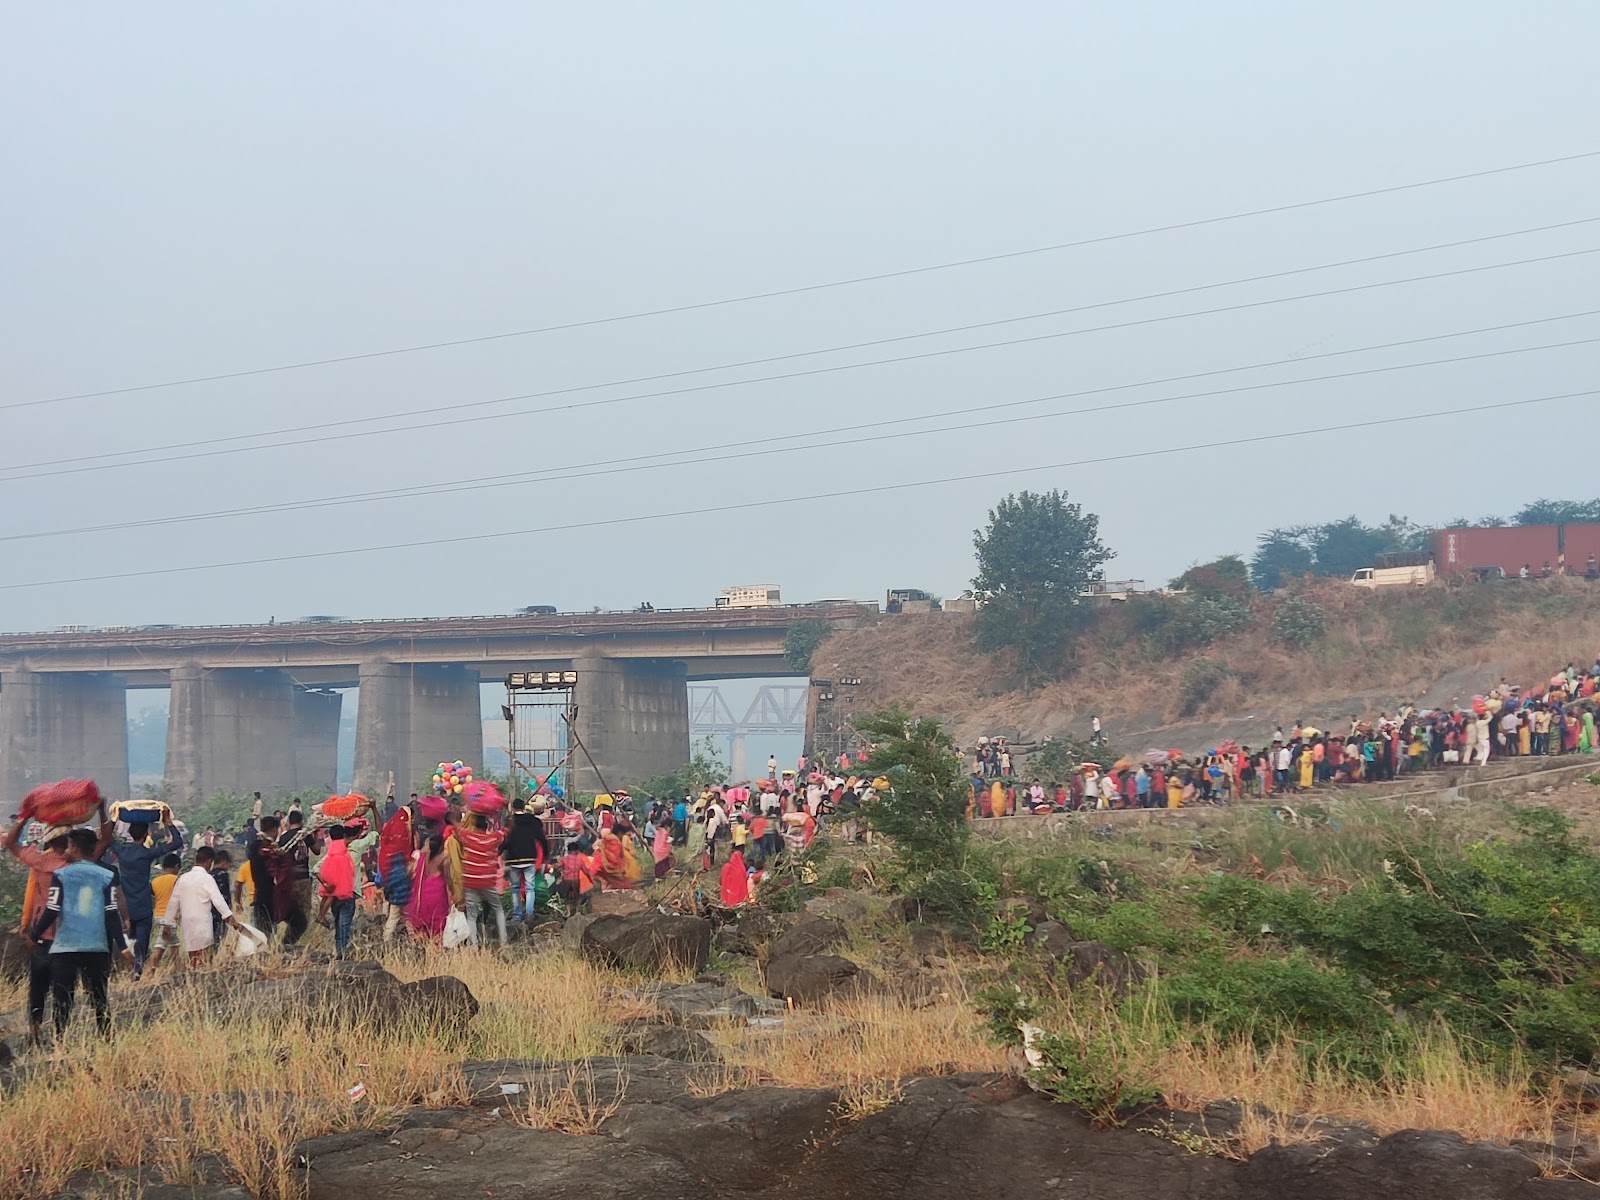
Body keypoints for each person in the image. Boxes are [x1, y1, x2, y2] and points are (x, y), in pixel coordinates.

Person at [6, 804, 114, 1044]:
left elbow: (11, 843)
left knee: (43, 990)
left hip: (47, 938)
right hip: (74, 939)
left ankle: (44, 1036)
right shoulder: (78, 862)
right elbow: (106, 839)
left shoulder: (41, 863)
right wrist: (102, 810)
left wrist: (24, 817)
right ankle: (93, 1037)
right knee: (85, 992)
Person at [31, 828, 133, 1037]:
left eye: (68, 846)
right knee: (99, 997)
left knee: (63, 998)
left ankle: (61, 1040)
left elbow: (52, 910)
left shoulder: (60, 875)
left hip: (65, 946)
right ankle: (106, 1038)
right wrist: (122, 947)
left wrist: (34, 934)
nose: (66, 850)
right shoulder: (107, 875)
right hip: (96, 945)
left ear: (76, 849)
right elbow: (111, 912)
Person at [112, 807, 182, 976]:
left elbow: (108, 838)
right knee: (142, 943)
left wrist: (114, 819)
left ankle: (129, 971)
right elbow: (177, 843)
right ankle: (138, 971)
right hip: (143, 905)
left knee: (127, 941)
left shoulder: (122, 852)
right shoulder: (148, 853)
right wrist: (168, 822)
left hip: (125, 906)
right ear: (147, 834)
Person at [169, 846, 246, 966]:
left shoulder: (183, 878)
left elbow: (173, 903)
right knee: (205, 958)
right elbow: (219, 902)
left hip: (187, 924)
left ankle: (193, 978)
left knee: (193, 956)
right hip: (202, 924)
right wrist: (233, 922)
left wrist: (167, 924)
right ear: (210, 861)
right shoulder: (207, 878)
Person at [458, 813, 508, 946]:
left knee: (472, 915)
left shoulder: (468, 837)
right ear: (487, 827)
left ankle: (473, 945)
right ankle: (503, 941)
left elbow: (456, 826)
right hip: (487, 880)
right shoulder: (493, 839)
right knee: (498, 909)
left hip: (470, 879)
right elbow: (506, 830)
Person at [501, 797, 549, 923]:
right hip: (529, 858)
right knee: (530, 888)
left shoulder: (509, 821)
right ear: (523, 807)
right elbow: (542, 839)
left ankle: (517, 915)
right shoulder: (533, 820)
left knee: (515, 888)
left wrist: (499, 851)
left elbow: (505, 839)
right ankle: (529, 914)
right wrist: (546, 854)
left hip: (513, 859)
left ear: (514, 807)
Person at [315, 826, 360, 958]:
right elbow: (352, 839)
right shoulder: (344, 847)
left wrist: (324, 883)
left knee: (338, 924)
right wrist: (358, 832)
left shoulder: (330, 852)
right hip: (346, 894)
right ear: (344, 835)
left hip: (333, 893)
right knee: (344, 926)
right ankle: (343, 954)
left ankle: (339, 952)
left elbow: (316, 870)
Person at [406, 833, 459, 938]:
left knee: (426, 921)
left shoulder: (423, 859)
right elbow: (448, 880)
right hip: (438, 893)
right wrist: (453, 896)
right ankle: (437, 947)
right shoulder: (444, 859)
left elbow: (411, 872)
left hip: (424, 892)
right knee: (438, 922)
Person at [145, 853, 183, 972]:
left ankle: (178, 969)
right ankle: (150, 972)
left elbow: (153, 896)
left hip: (158, 915)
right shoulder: (177, 880)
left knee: (174, 944)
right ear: (176, 866)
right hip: (169, 917)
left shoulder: (155, 881)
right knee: (160, 946)